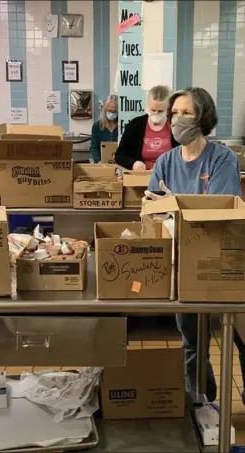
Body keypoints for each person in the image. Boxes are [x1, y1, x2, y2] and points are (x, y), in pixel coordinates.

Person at [146, 87, 245, 403]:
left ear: (203, 117)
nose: (176, 120)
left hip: (226, 261)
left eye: (186, 113)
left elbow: (219, 213)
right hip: (181, 263)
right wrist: (174, 210)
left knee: (241, 337)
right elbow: (152, 211)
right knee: (192, 341)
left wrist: (174, 206)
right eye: (174, 113)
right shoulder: (165, 162)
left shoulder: (221, 159)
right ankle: (202, 403)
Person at [115, 85, 178, 170]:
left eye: (160, 111)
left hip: (169, 177)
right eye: (153, 110)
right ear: (148, 106)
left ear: (168, 108)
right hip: (142, 177)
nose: (156, 114)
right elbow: (120, 156)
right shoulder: (135, 125)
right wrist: (134, 163)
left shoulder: (175, 125)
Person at [90, 94, 118, 163]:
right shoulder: (97, 126)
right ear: (105, 110)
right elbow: (94, 147)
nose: (111, 113)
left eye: (114, 111)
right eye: (109, 111)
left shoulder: (122, 126)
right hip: (102, 163)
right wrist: (98, 161)